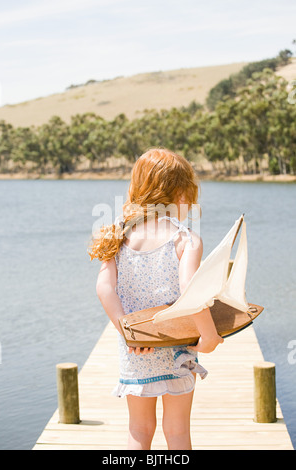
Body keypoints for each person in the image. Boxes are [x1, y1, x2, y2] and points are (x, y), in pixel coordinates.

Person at [89, 148, 223, 450]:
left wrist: (130, 333)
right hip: (177, 349)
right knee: (176, 431)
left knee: (139, 429)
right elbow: (191, 289)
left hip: (136, 351)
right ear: (181, 196)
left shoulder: (118, 236)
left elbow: (104, 288)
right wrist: (209, 334)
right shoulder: (186, 239)